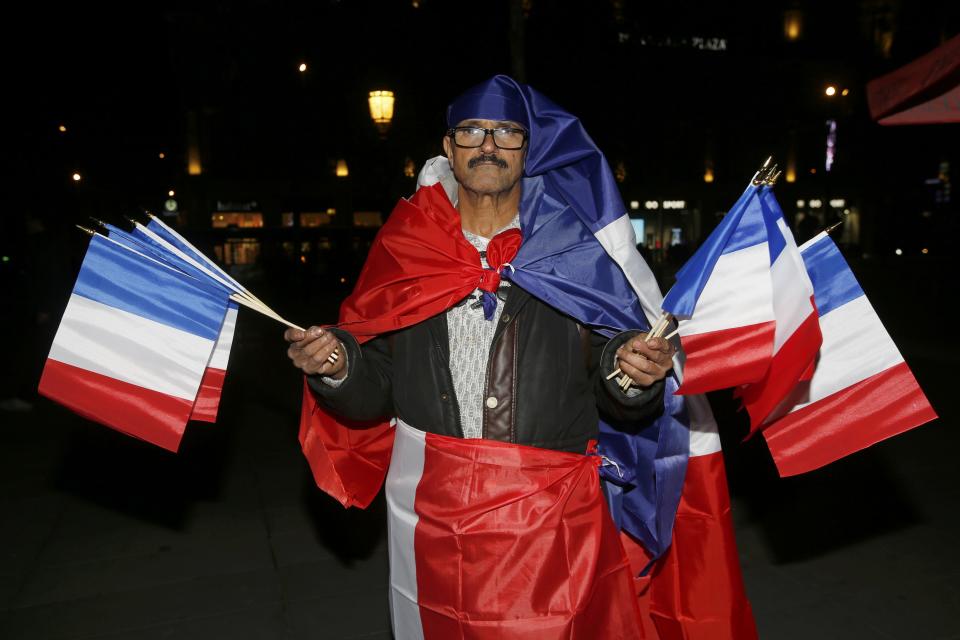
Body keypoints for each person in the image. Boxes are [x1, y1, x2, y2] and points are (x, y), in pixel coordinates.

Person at [284, 76, 679, 638]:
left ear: (527, 149)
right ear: (449, 148)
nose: (488, 144)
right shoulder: (407, 245)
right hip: (433, 517)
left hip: (549, 519)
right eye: (471, 130)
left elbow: (612, 366)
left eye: (506, 132)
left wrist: (633, 376)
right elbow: (379, 386)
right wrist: (338, 367)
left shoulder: (574, 248)